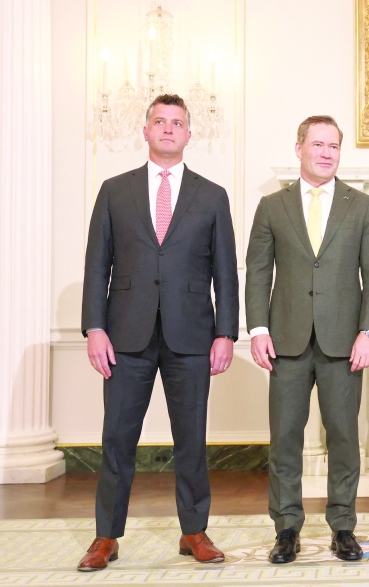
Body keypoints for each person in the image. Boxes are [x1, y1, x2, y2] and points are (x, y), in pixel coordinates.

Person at [78, 95, 238, 571]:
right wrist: (94, 328)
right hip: (125, 335)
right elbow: (96, 266)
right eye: (160, 122)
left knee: (191, 438)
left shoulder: (212, 196)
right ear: (145, 131)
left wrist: (226, 332)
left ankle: (194, 531)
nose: (169, 129)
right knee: (117, 438)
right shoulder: (114, 190)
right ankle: (106, 536)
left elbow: (225, 272)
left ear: (189, 134)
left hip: (192, 336)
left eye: (178, 123)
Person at [245, 115, 369, 564]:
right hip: (284, 341)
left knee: (344, 438)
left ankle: (343, 527)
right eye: (318, 144)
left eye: (334, 146)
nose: (326, 153)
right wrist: (257, 329)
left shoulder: (363, 206)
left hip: (344, 343)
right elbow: (257, 272)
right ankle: (286, 528)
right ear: (299, 147)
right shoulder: (272, 205)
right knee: (284, 438)